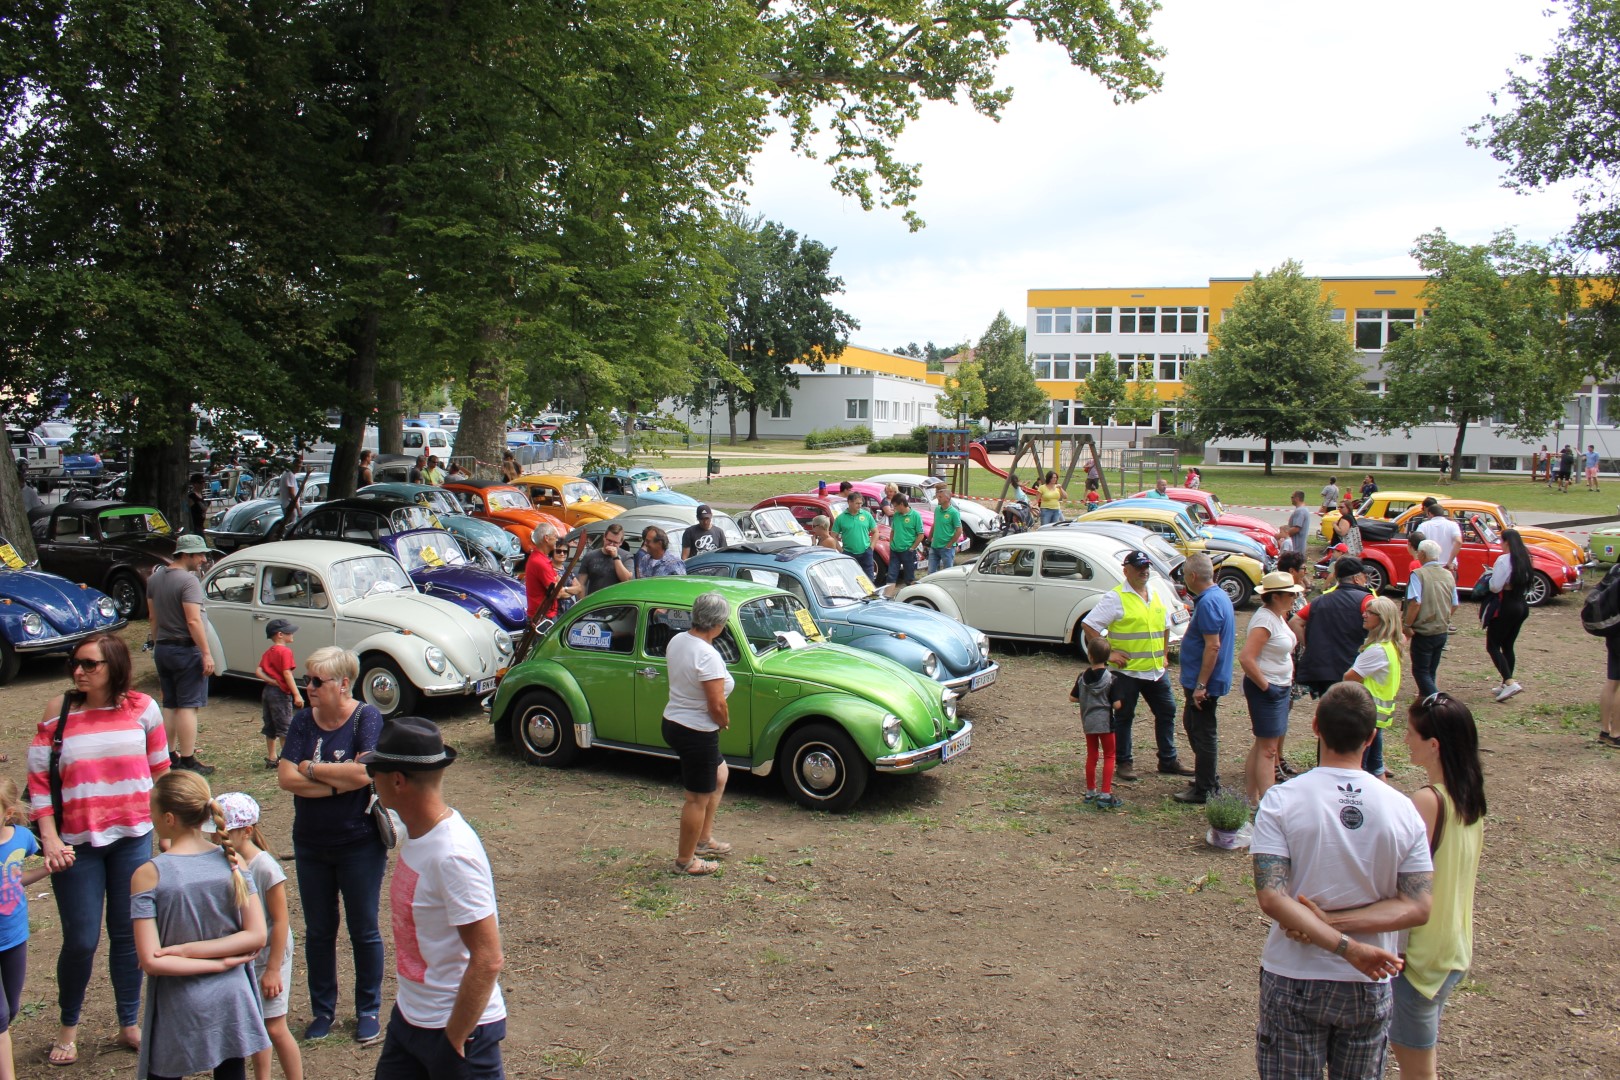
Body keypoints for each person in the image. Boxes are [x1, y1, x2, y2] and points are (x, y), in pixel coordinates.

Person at [1251, 682, 1433, 1080]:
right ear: (1371, 737)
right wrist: (1351, 944)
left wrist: (1335, 935)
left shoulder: (1281, 800)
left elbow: (1271, 895)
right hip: (1369, 978)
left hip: (1295, 973)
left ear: (1315, 726)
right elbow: (1418, 905)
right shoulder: (1402, 809)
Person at [27, 633, 168, 1065]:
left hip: (133, 838)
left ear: (114, 666)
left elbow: (161, 774)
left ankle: (130, 1022)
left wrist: (169, 832)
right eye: (76, 663)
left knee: (129, 936)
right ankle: (69, 1026)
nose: (79, 671)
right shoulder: (60, 711)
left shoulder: (142, 708)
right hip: (76, 845)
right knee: (81, 940)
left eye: (90, 664)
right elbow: (37, 783)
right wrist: (49, 836)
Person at [363, 717, 507, 1079]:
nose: (371, 782)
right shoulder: (417, 835)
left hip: (458, 1032)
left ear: (397, 780)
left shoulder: (453, 855)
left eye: (374, 773)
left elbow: (488, 958)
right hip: (410, 1018)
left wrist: (454, 1039)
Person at [276, 646, 386, 1045]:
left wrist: (311, 769)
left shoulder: (366, 717)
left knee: (363, 929)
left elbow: (365, 772)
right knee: (320, 932)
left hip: (359, 844)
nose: (309, 687)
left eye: (317, 681)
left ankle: (368, 1010)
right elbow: (285, 778)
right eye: (307, 680)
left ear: (343, 684)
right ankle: (323, 1010)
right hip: (310, 845)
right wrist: (336, 783)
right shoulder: (304, 720)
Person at [131, 771, 268, 1080]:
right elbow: (256, 934)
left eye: (151, 810)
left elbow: (152, 960)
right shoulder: (233, 862)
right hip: (232, 997)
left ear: (168, 818)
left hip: (180, 1003)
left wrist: (185, 951)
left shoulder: (149, 874)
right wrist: (221, 963)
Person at [1389, 693, 1486, 1080]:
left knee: (1417, 1069)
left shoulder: (1427, 802)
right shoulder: (1469, 796)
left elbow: (1399, 874)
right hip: (1453, 946)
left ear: (1434, 745)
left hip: (1421, 957)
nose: (1405, 741)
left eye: (1411, 734)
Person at [1081, 550, 1192, 782]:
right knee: (1124, 716)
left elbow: (1164, 626)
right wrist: (1110, 653)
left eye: (1146, 566)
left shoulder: (1154, 593)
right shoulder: (1116, 597)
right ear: (1126, 570)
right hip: (1127, 672)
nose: (1144, 571)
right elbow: (1089, 625)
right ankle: (1124, 761)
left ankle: (1168, 759)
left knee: (1167, 711)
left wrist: (1163, 654)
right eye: (1139, 567)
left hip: (1154, 671)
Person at [216, 793, 303, 1080]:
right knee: (255, 1026)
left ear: (247, 831)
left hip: (270, 956)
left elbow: (280, 922)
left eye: (225, 833)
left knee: (275, 1027)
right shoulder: (227, 863)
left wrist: (274, 970)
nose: (219, 839)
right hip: (248, 956)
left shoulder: (265, 867)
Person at [663, 592, 736, 876]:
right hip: (696, 731)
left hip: (673, 721)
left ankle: (703, 840)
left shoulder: (678, 640)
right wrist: (724, 722)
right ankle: (686, 860)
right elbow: (716, 703)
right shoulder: (708, 656)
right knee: (696, 798)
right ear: (718, 624)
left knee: (720, 774)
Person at [146, 532, 218, 775]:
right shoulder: (188, 582)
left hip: (164, 648)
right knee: (188, 705)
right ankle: (188, 759)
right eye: (199, 555)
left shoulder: (155, 579)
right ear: (186, 554)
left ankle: (168, 753)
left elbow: (153, 616)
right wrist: (206, 652)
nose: (202, 560)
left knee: (170, 703)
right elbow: (193, 621)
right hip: (185, 649)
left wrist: (157, 645)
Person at [1174, 554, 1235, 805]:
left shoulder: (1209, 603)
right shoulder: (1218, 596)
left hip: (1205, 682)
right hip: (1205, 679)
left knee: (1203, 731)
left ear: (1192, 577)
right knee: (1192, 724)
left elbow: (1213, 646)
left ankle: (1206, 787)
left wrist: (1201, 685)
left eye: (1185, 576)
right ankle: (1205, 775)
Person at [0, 779, 50, 1079]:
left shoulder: (22, 839)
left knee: (13, 1007)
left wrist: (48, 868)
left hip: (14, 936)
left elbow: (15, 879)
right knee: (1, 1016)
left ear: (7, 812)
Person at [1239, 571, 1301, 807]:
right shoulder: (1265, 620)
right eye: (1289, 594)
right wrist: (1266, 687)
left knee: (1264, 744)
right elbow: (1246, 658)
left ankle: (1252, 798)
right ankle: (1268, 802)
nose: (1294, 598)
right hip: (1268, 688)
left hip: (1278, 686)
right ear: (1275, 596)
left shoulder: (1277, 616)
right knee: (1268, 749)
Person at [1290, 557, 1372, 700]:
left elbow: (1295, 622)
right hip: (1351, 668)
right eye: (1365, 576)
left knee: (1328, 711)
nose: (1366, 580)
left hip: (1323, 671)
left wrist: (1309, 645)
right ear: (1357, 578)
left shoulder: (1319, 601)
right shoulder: (1366, 600)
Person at [1344, 596, 1405, 780]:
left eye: (1370, 613)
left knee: (1360, 768)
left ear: (1383, 618)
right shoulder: (1391, 646)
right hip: (1378, 716)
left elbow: (1349, 677)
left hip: (1366, 714)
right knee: (1376, 765)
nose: (1364, 615)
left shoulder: (1378, 650)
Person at [1070, 636, 1123, 810]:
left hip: (1088, 723)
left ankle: (1090, 791)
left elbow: (1072, 698)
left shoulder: (1081, 677)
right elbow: (1116, 704)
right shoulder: (1111, 679)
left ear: (1090, 656)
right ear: (1107, 657)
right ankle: (1106, 793)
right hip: (1106, 724)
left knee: (1092, 755)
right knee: (1109, 755)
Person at [1482, 527, 1533, 702]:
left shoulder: (1504, 560)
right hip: (1521, 604)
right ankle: (1505, 683)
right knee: (1508, 644)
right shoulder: (1525, 559)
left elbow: (1495, 586)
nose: (1500, 545)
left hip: (1506, 605)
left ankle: (1510, 682)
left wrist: (1489, 579)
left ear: (1507, 542)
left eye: (1501, 541)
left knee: (1492, 645)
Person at [1403, 540, 1455, 699]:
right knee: (1431, 670)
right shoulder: (1448, 574)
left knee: (1420, 671)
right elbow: (1455, 603)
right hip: (1441, 629)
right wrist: (1443, 617)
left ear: (1423, 554)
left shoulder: (1418, 575)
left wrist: (1407, 624)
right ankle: (1426, 702)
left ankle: (1438, 702)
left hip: (1424, 631)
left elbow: (1415, 602)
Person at [256, 618, 303, 770]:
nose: (293, 634)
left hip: (268, 692)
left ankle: (271, 757)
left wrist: (271, 681)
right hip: (281, 694)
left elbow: (258, 671)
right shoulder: (285, 651)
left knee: (270, 725)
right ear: (280, 634)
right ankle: (286, 759)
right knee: (285, 727)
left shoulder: (269, 652)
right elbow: (287, 673)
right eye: (290, 632)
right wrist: (297, 694)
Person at [884, 493, 923, 598]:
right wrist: (891, 543)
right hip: (895, 551)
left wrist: (913, 548)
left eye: (895, 506)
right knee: (891, 575)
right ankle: (886, 598)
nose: (894, 509)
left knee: (909, 578)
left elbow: (921, 535)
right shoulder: (896, 515)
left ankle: (913, 597)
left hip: (908, 551)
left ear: (902, 504)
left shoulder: (915, 515)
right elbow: (893, 530)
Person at [832, 492, 879, 579]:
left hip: (866, 552)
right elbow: (833, 536)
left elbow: (876, 532)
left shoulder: (867, 515)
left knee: (869, 579)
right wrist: (841, 551)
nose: (859, 505)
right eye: (857, 503)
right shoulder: (841, 518)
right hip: (848, 553)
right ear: (849, 502)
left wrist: (871, 548)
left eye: (861, 503)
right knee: (850, 579)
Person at [580, 523, 632, 595]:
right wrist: (582, 602)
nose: (611, 544)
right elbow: (581, 584)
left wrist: (616, 557)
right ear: (604, 537)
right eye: (609, 541)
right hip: (595, 602)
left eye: (615, 542)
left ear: (621, 542)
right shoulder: (590, 556)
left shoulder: (626, 556)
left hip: (616, 603)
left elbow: (627, 580)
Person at [1413, 498, 1460, 573]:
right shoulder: (1453, 525)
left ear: (1430, 514)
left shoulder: (1423, 526)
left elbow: (1416, 541)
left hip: (1429, 567)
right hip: (1448, 567)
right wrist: (1450, 561)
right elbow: (1458, 541)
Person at [927, 487, 964, 573]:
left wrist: (950, 545)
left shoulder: (954, 512)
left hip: (946, 548)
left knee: (947, 572)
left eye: (940, 497)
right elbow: (934, 524)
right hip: (935, 546)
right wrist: (928, 539)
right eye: (938, 497)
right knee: (931, 572)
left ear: (947, 498)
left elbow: (959, 530)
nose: (938, 499)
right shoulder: (937, 510)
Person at [1281, 490, 1311, 558]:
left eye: (1292, 497)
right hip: (1300, 546)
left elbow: (1296, 528)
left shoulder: (1300, 511)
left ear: (1297, 498)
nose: (1291, 499)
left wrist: (1284, 534)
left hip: (1296, 546)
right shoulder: (1304, 509)